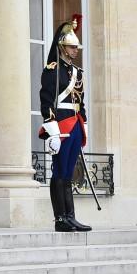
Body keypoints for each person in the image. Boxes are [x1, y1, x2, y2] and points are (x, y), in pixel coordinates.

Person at [37, 14, 90, 233]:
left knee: (69, 172)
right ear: (62, 48)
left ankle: (71, 216)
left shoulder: (77, 72)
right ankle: (60, 218)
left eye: (76, 47)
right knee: (59, 172)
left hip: (75, 124)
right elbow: (46, 100)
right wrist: (52, 130)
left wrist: (83, 122)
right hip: (62, 125)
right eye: (71, 47)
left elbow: (81, 101)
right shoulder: (52, 70)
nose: (75, 50)